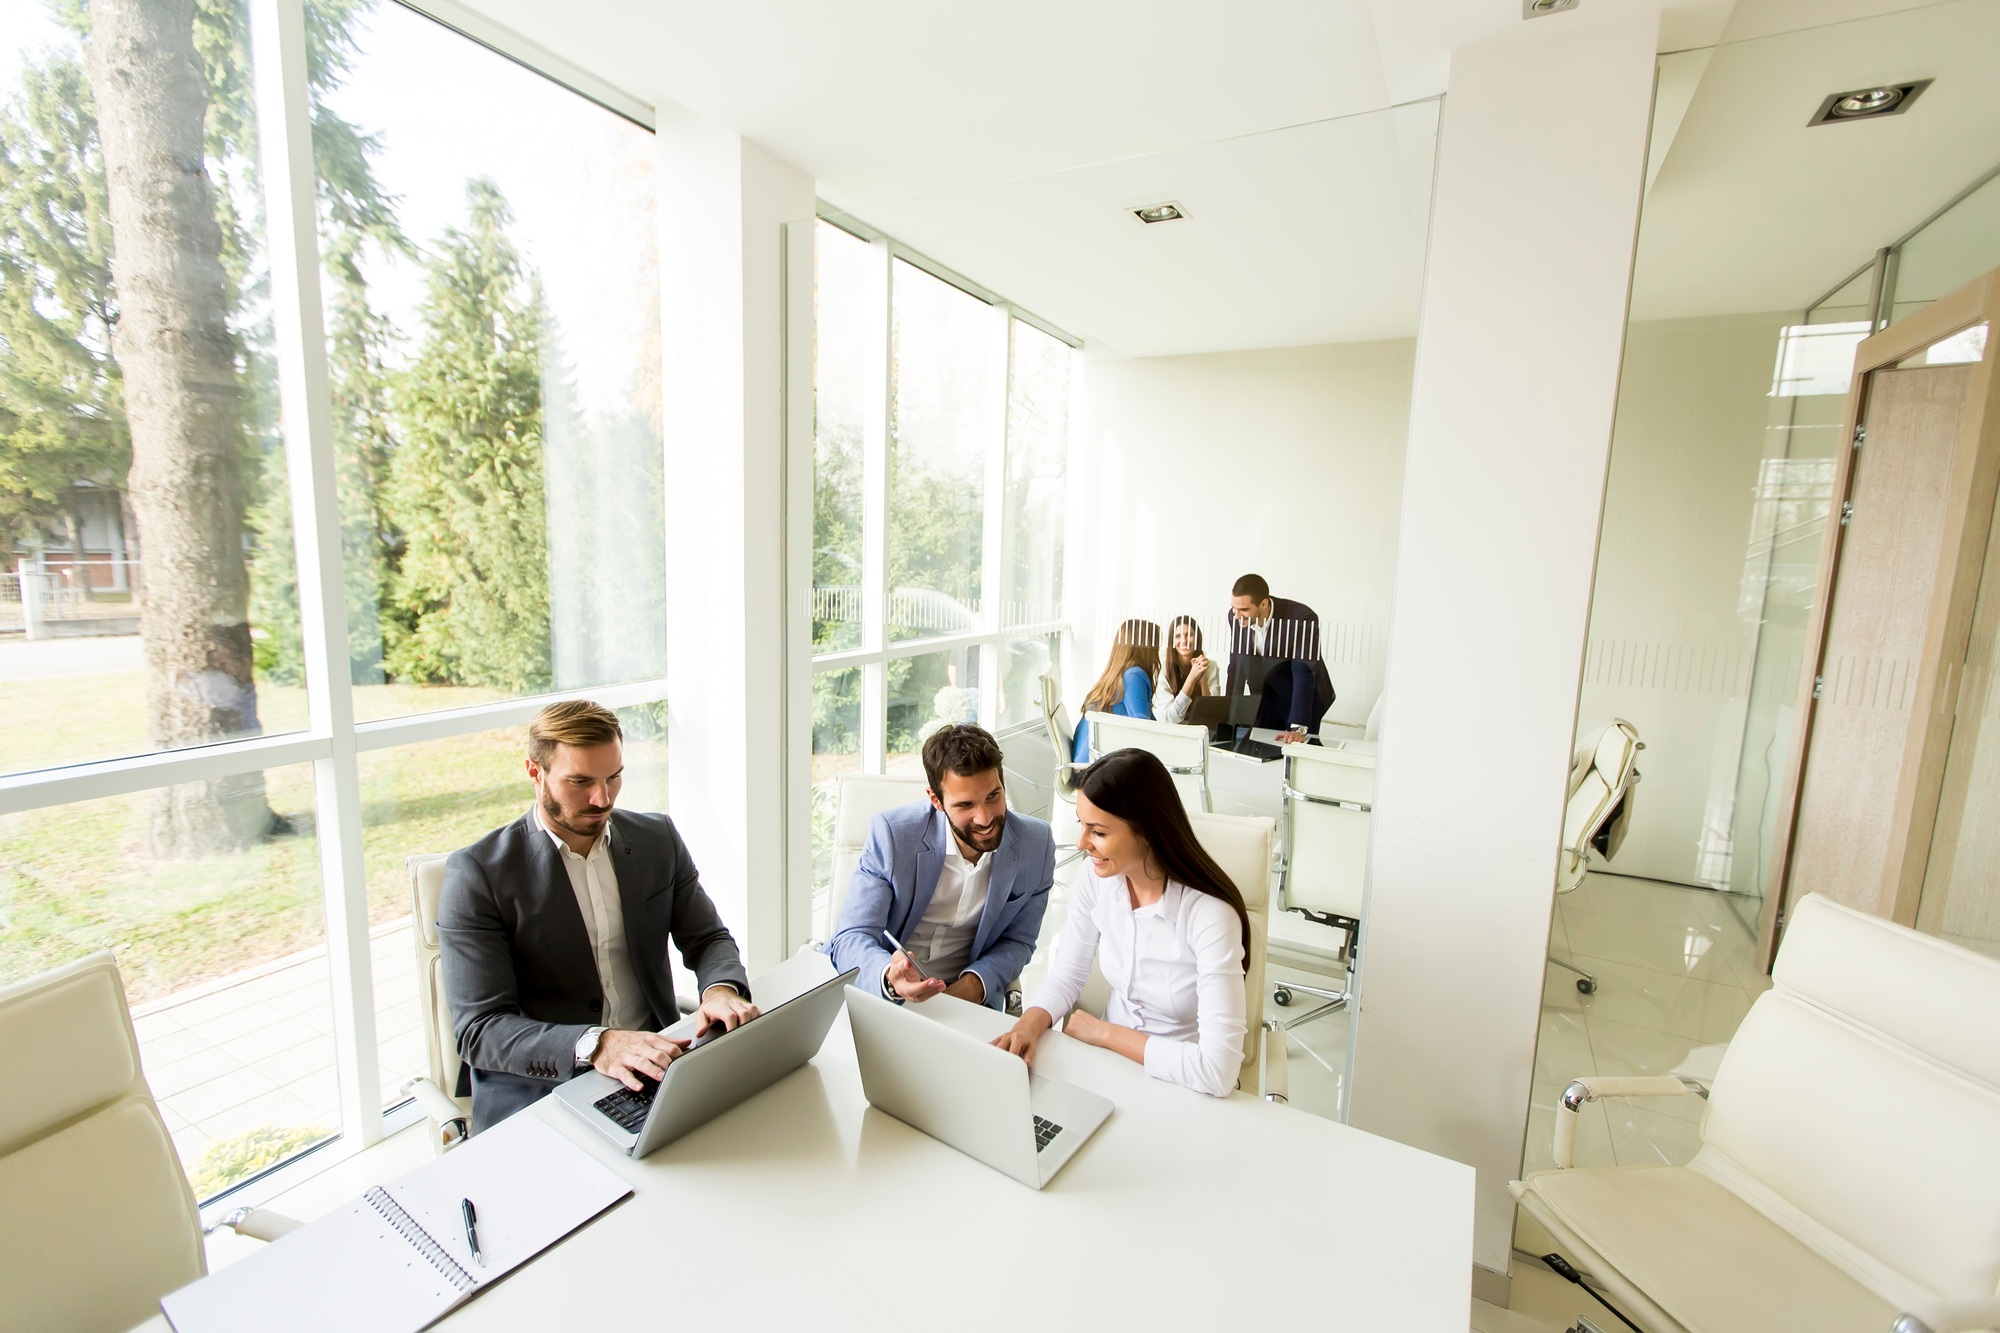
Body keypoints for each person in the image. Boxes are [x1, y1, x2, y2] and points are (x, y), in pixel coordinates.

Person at [438, 700, 758, 1134]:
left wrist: (719, 990)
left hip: (657, 1068)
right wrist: (598, 1044)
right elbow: (480, 1029)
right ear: (535, 772)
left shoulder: (656, 839)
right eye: (580, 781)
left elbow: (708, 939)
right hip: (543, 1091)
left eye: (614, 777)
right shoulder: (478, 874)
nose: (602, 798)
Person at [991, 748, 1251, 1097]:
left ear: (1146, 831)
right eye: (1082, 825)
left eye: (1098, 832)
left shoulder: (1209, 916)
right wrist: (1028, 1025)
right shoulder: (1096, 879)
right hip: (1102, 1066)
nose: (1082, 844)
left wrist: (1106, 1033)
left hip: (1181, 1082)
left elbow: (1218, 1071)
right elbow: (1068, 973)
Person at [828, 724, 1055, 1010]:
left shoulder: (1036, 844)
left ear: (1003, 783)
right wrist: (890, 979)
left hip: (968, 999)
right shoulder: (893, 836)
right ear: (936, 800)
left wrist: (970, 989)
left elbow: (1018, 942)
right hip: (886, 994)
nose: (985, 818)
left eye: (993, 796)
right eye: (965, 805)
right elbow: (852, 936)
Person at [1226, 573, 1335, 744]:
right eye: (1234, 608)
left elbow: (1302, 671)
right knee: (1257, 747)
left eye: (1244, 610)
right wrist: (1228, 717)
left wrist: (1298, 728)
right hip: (1265, 697)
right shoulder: (1236, 617)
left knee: (1296, 748)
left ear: (1263, 604)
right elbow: (1236, 665)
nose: (1237, 615)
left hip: (1300, 697)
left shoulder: (1302, 618)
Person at [1074, 618, 1160, 765]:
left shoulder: (1116, 676)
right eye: (1155, 644)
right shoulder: (1134, 676)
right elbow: (1144, 729)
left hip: (1084, 764)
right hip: (1095, 768)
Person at [1155, 613, 1221, 726]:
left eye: (1189, 635)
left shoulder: (1211, 666)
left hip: (1198, 731)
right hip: (1169, 731)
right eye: (1178, 636)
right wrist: (1192, 677)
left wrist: (1203, 681)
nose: (1184, 640)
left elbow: (1212, 716)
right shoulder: (1161, 667)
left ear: (1197, 638)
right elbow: (1170, 718)